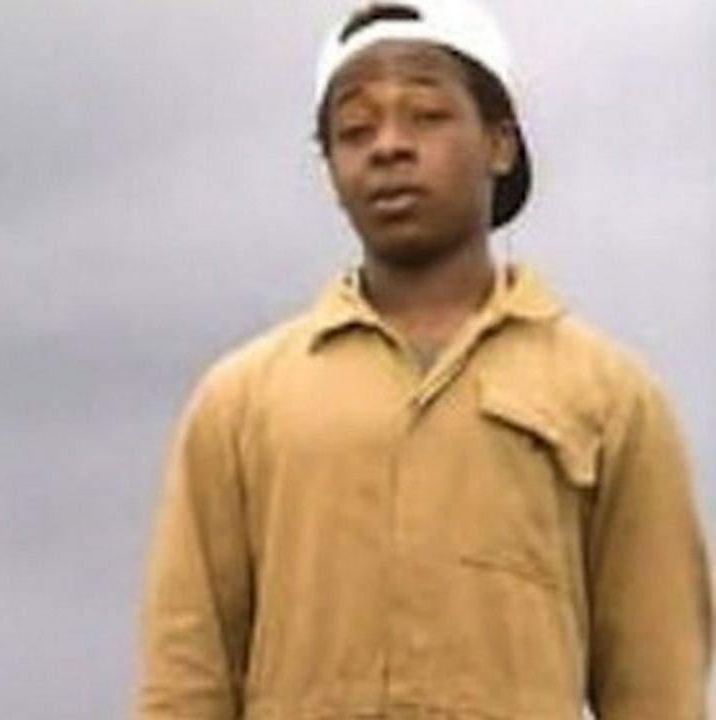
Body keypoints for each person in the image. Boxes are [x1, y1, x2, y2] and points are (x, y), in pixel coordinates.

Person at [134, 1, 711, 718]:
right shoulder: (241, 402)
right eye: (354, 129)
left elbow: (659, 682)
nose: (388, 147)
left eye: (427, 116)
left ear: (500, 143)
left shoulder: (610, 396)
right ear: (331, 169)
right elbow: (186, 675)